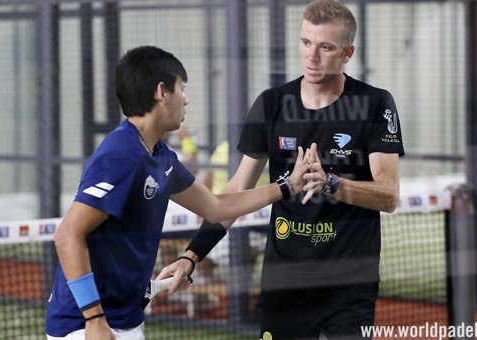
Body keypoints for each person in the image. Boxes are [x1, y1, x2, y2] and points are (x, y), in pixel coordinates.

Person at [159, 1, 405, 339]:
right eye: (305, 43)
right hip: (284, 282)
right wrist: (191, 256)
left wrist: (332, 184)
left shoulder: (375, 103)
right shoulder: (272, 103)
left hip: (350, 283)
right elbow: (234, 191)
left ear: (347, 53)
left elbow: (389, 196)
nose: (312, 56)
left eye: (325, 47)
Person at [44, 45, 314, 340]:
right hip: (83, 325)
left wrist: (287, 187)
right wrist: (94, 320)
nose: (185, 99)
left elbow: (215, 207)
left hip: (127, 318)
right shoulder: (120, 154)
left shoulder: (162, 156)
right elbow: (67, 234)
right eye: (181, 88)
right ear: (162, 92)